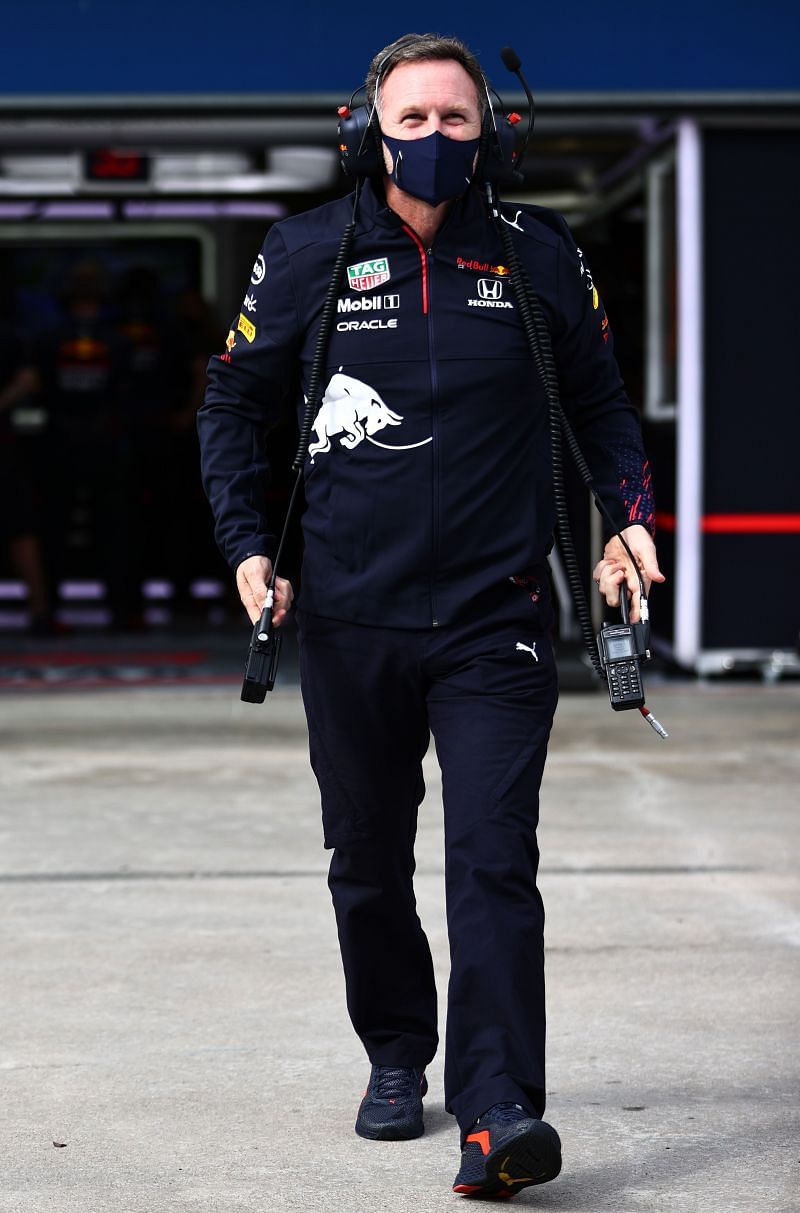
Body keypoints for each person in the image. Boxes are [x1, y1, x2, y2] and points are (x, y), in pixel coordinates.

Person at [198, 32, 664, 1199]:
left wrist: (627, 516)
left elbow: (601, 404)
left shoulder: (537, 253)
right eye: (412, 118)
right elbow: (230, 405)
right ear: (365, 128)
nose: (435, 139)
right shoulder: (308, 251)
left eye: (458, 119)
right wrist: (250, 549)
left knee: (493, 857)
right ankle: (398, 1052)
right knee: (365, 861)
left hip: (493, 616)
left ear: (494, 133)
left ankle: (498, 1107)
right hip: (349, 618)